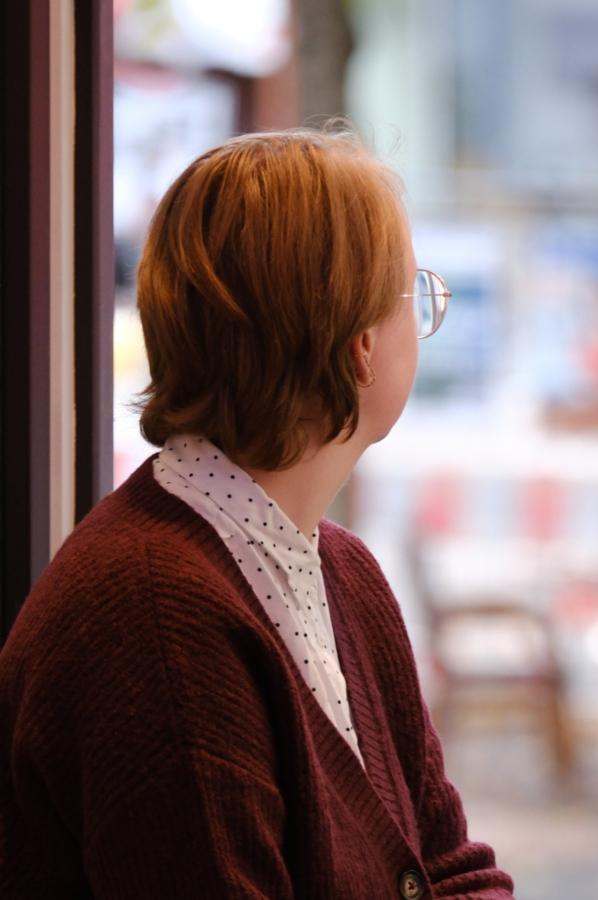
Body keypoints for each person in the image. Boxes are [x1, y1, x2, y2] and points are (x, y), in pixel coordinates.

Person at [0, 130, 515, 898]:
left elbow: (448, 866)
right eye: (414, 293)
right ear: (360, 348)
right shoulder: (154, 620)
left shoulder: (340, 570)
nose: (423, 321)